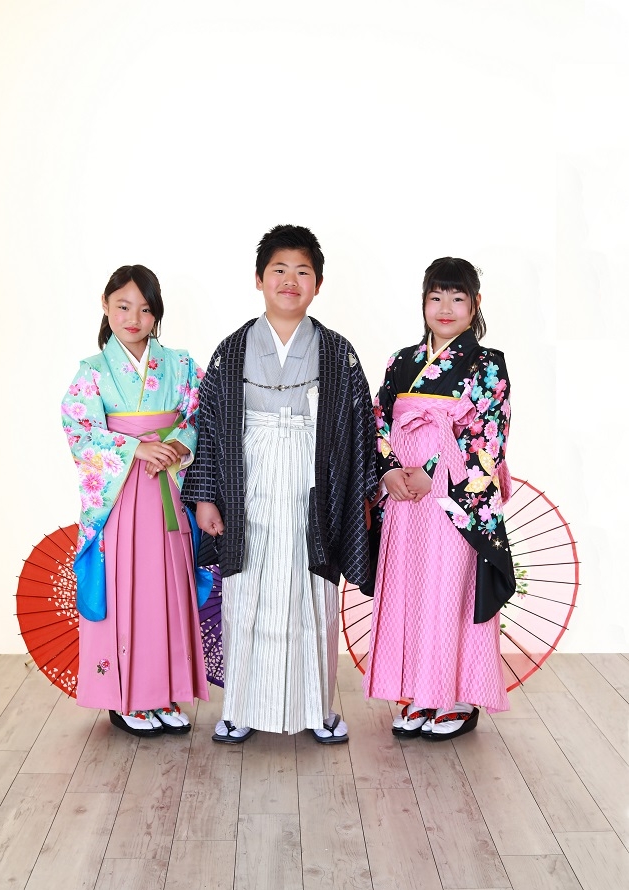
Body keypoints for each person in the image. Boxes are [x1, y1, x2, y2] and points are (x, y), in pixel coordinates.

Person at [181, 225, 377, 744]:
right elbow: (208, 427)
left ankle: (318, 708)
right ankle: (239, 707)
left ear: (318, 284)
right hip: (248, 480)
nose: (290, 281)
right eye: (279, 270)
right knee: (247, 590)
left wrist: (359, 498)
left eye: (302, 272)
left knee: (313, 593)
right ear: (259, 278)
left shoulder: (338, 352)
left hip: (316, 482)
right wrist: (205, 497)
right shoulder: (231, 351)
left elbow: (360, 429)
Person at [363, 257, 516, 740]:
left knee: (450, 592)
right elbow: (378, 419)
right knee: (408, 590)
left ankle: (456, 698)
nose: (445, 307)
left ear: (475, 304)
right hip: (403, 497)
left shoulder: (487, 364)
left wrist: (433, 474)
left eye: (457, 297)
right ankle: (417, 692)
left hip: (452, 499)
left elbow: (488, 435)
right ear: (423, 302)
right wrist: (389, 470)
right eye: (436, 297)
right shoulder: (401, 361)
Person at [61, 264, 209, 736]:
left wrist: (180, 443)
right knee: (126, 588)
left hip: (167, 488)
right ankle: (126, 699)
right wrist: (132, 448)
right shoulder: (92, 372)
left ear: (156, 314)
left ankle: (162, 693)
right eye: (123, 306)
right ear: (105, 306)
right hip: (121, 496)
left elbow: (198, 413)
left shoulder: (181, 364)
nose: (134, 318)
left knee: (166, 588)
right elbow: (81, 429)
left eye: (145, 310)